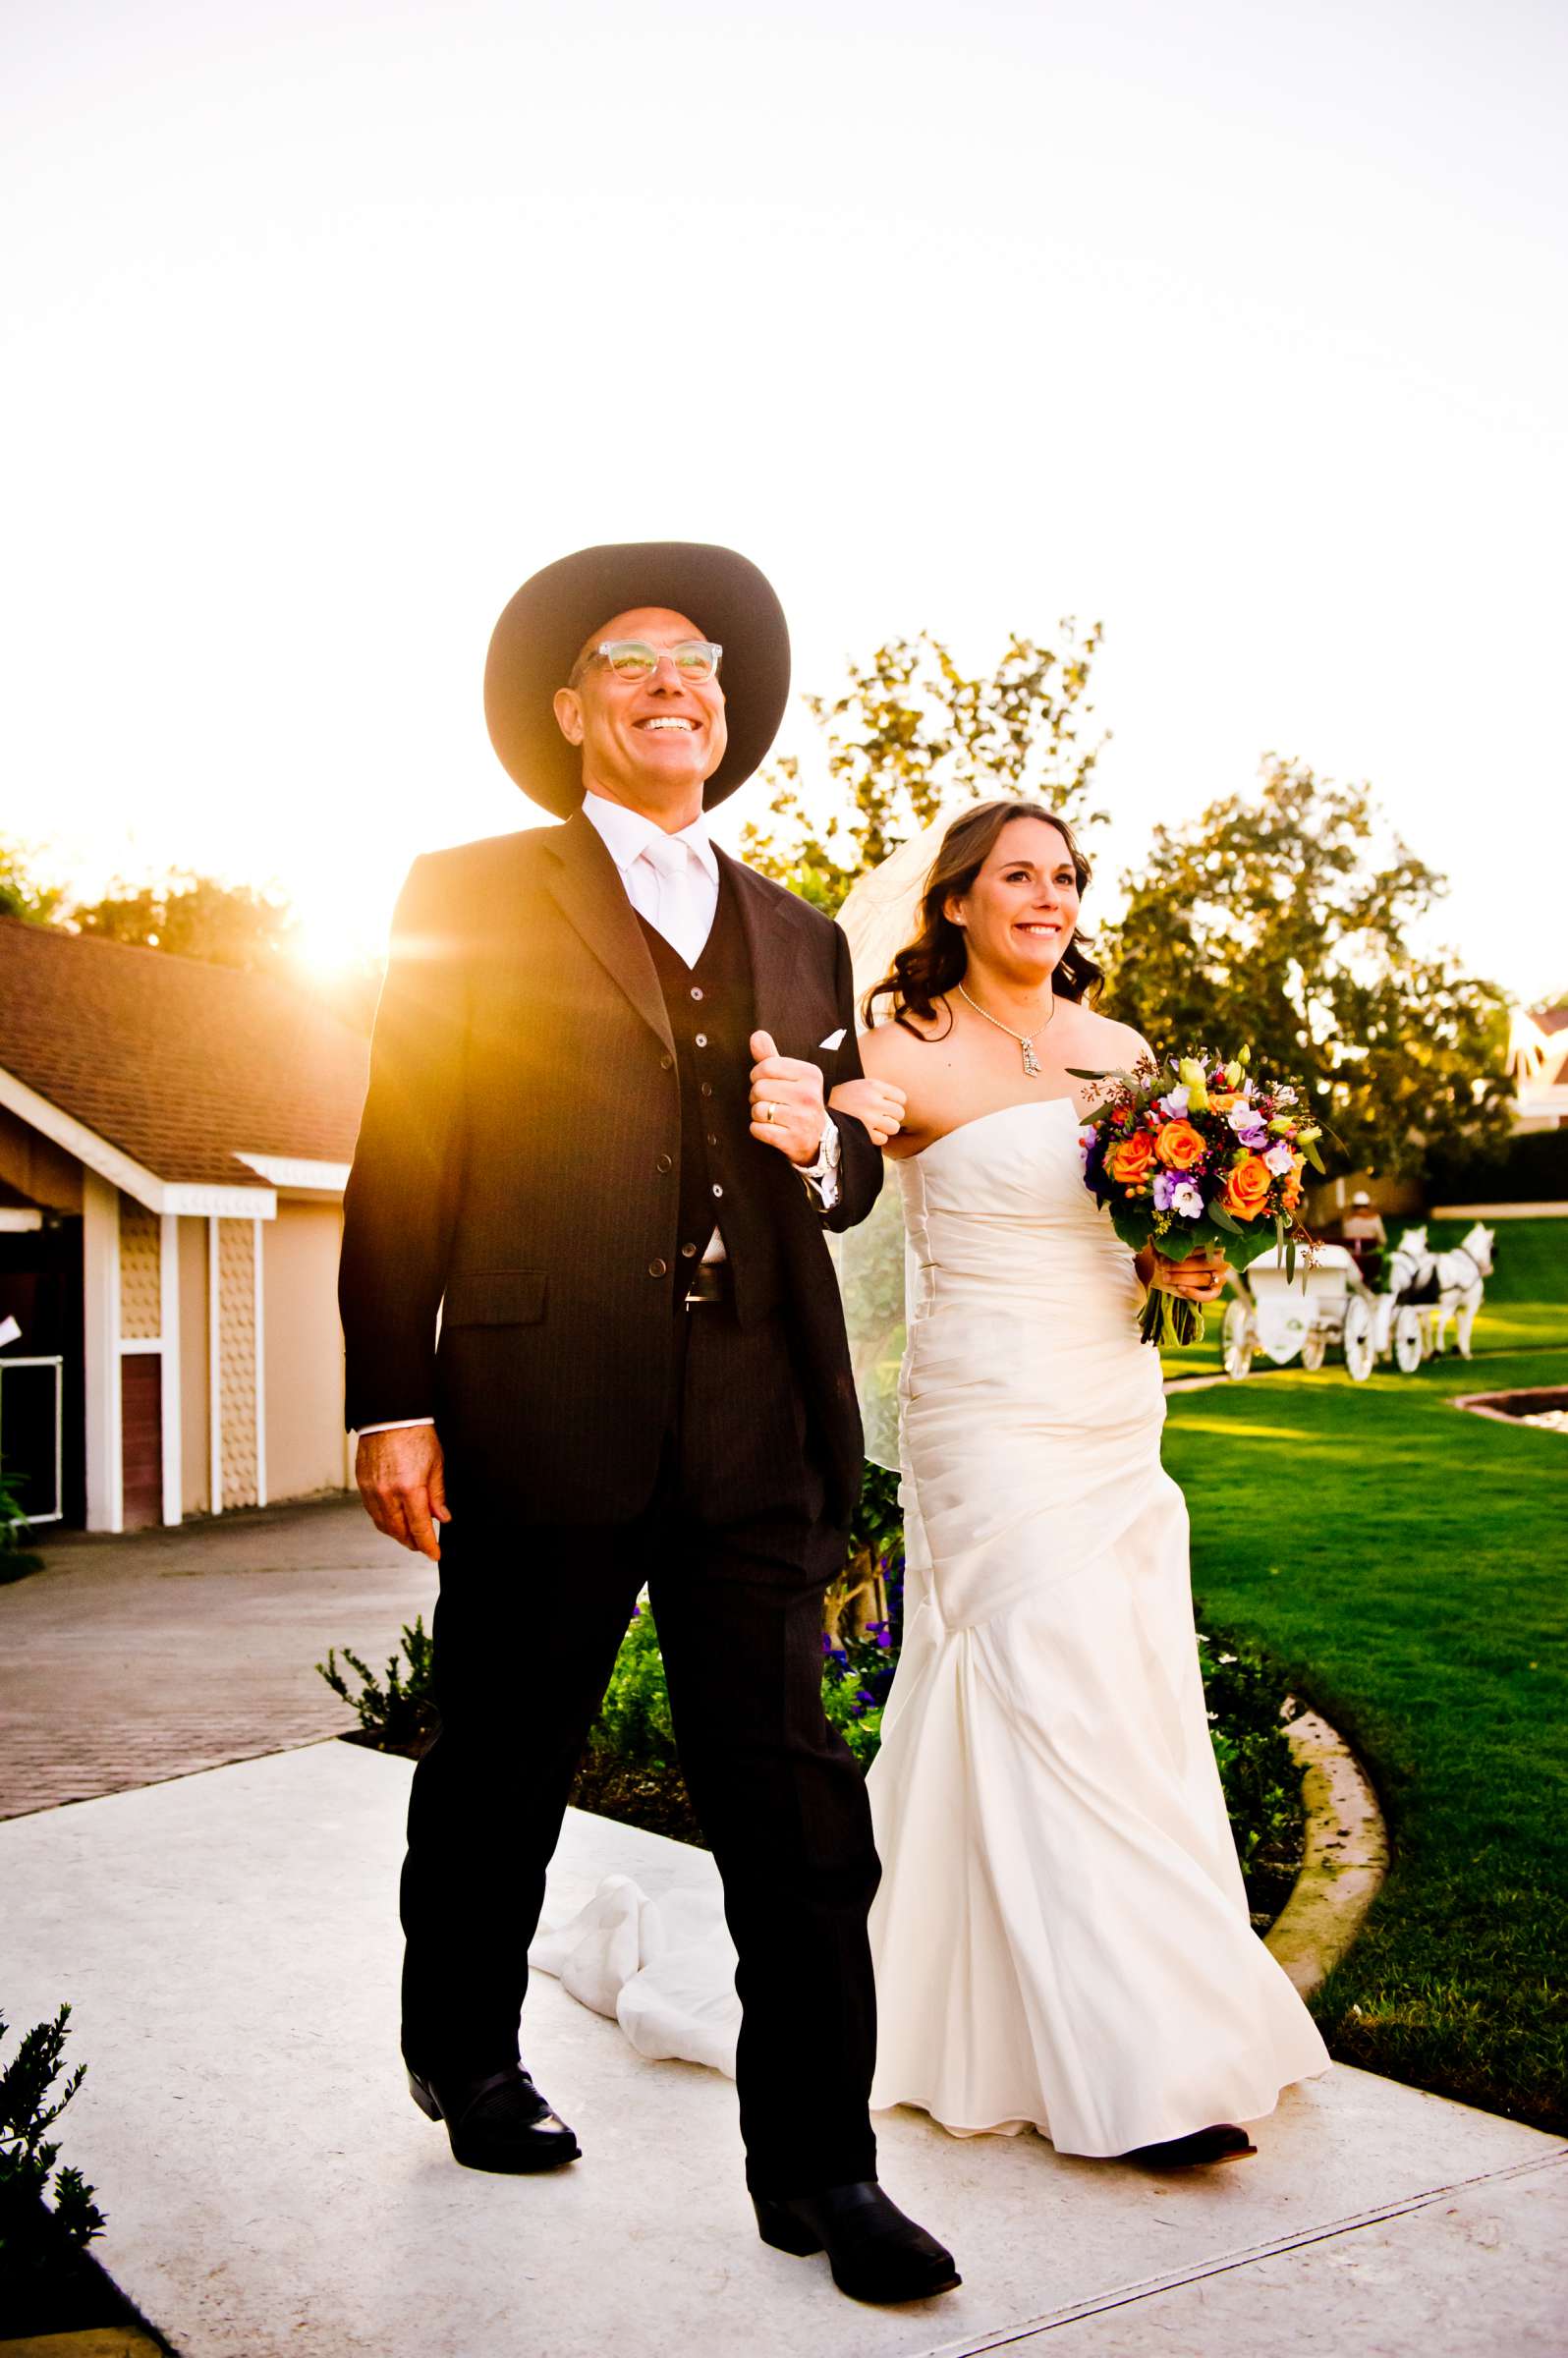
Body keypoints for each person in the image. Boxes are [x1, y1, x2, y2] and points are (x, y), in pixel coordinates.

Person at [337, 541, 959, 2306]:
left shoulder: (797, 931)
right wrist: (395, 1392)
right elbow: (406, 1159)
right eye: (631, 662)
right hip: (545, 1398)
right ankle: (463, 2053)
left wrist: (816, 1140)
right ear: (572, 711)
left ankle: (820, 2170)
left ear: (727, 704)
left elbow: (834, 1189)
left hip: (754, 1412)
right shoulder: (466, 889)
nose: (674, 681)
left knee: (793, 1795)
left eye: (697, 660)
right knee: (506, 1759)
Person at [830, 798, 1331, 2168]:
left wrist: (1188, 1263)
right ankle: (1134, 2071)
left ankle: (1096, 2014)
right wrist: (836, 1128)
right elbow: (829, 1202)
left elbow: (1153, 1240)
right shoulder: (899, 1046)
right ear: (953, 904)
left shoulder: (1122, 1055)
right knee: (1039, 1680)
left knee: (1119, 1695)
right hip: (985, 1408)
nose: (1046, 898)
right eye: (1016, 877)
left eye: (1064, 877)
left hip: (1111, 1402)